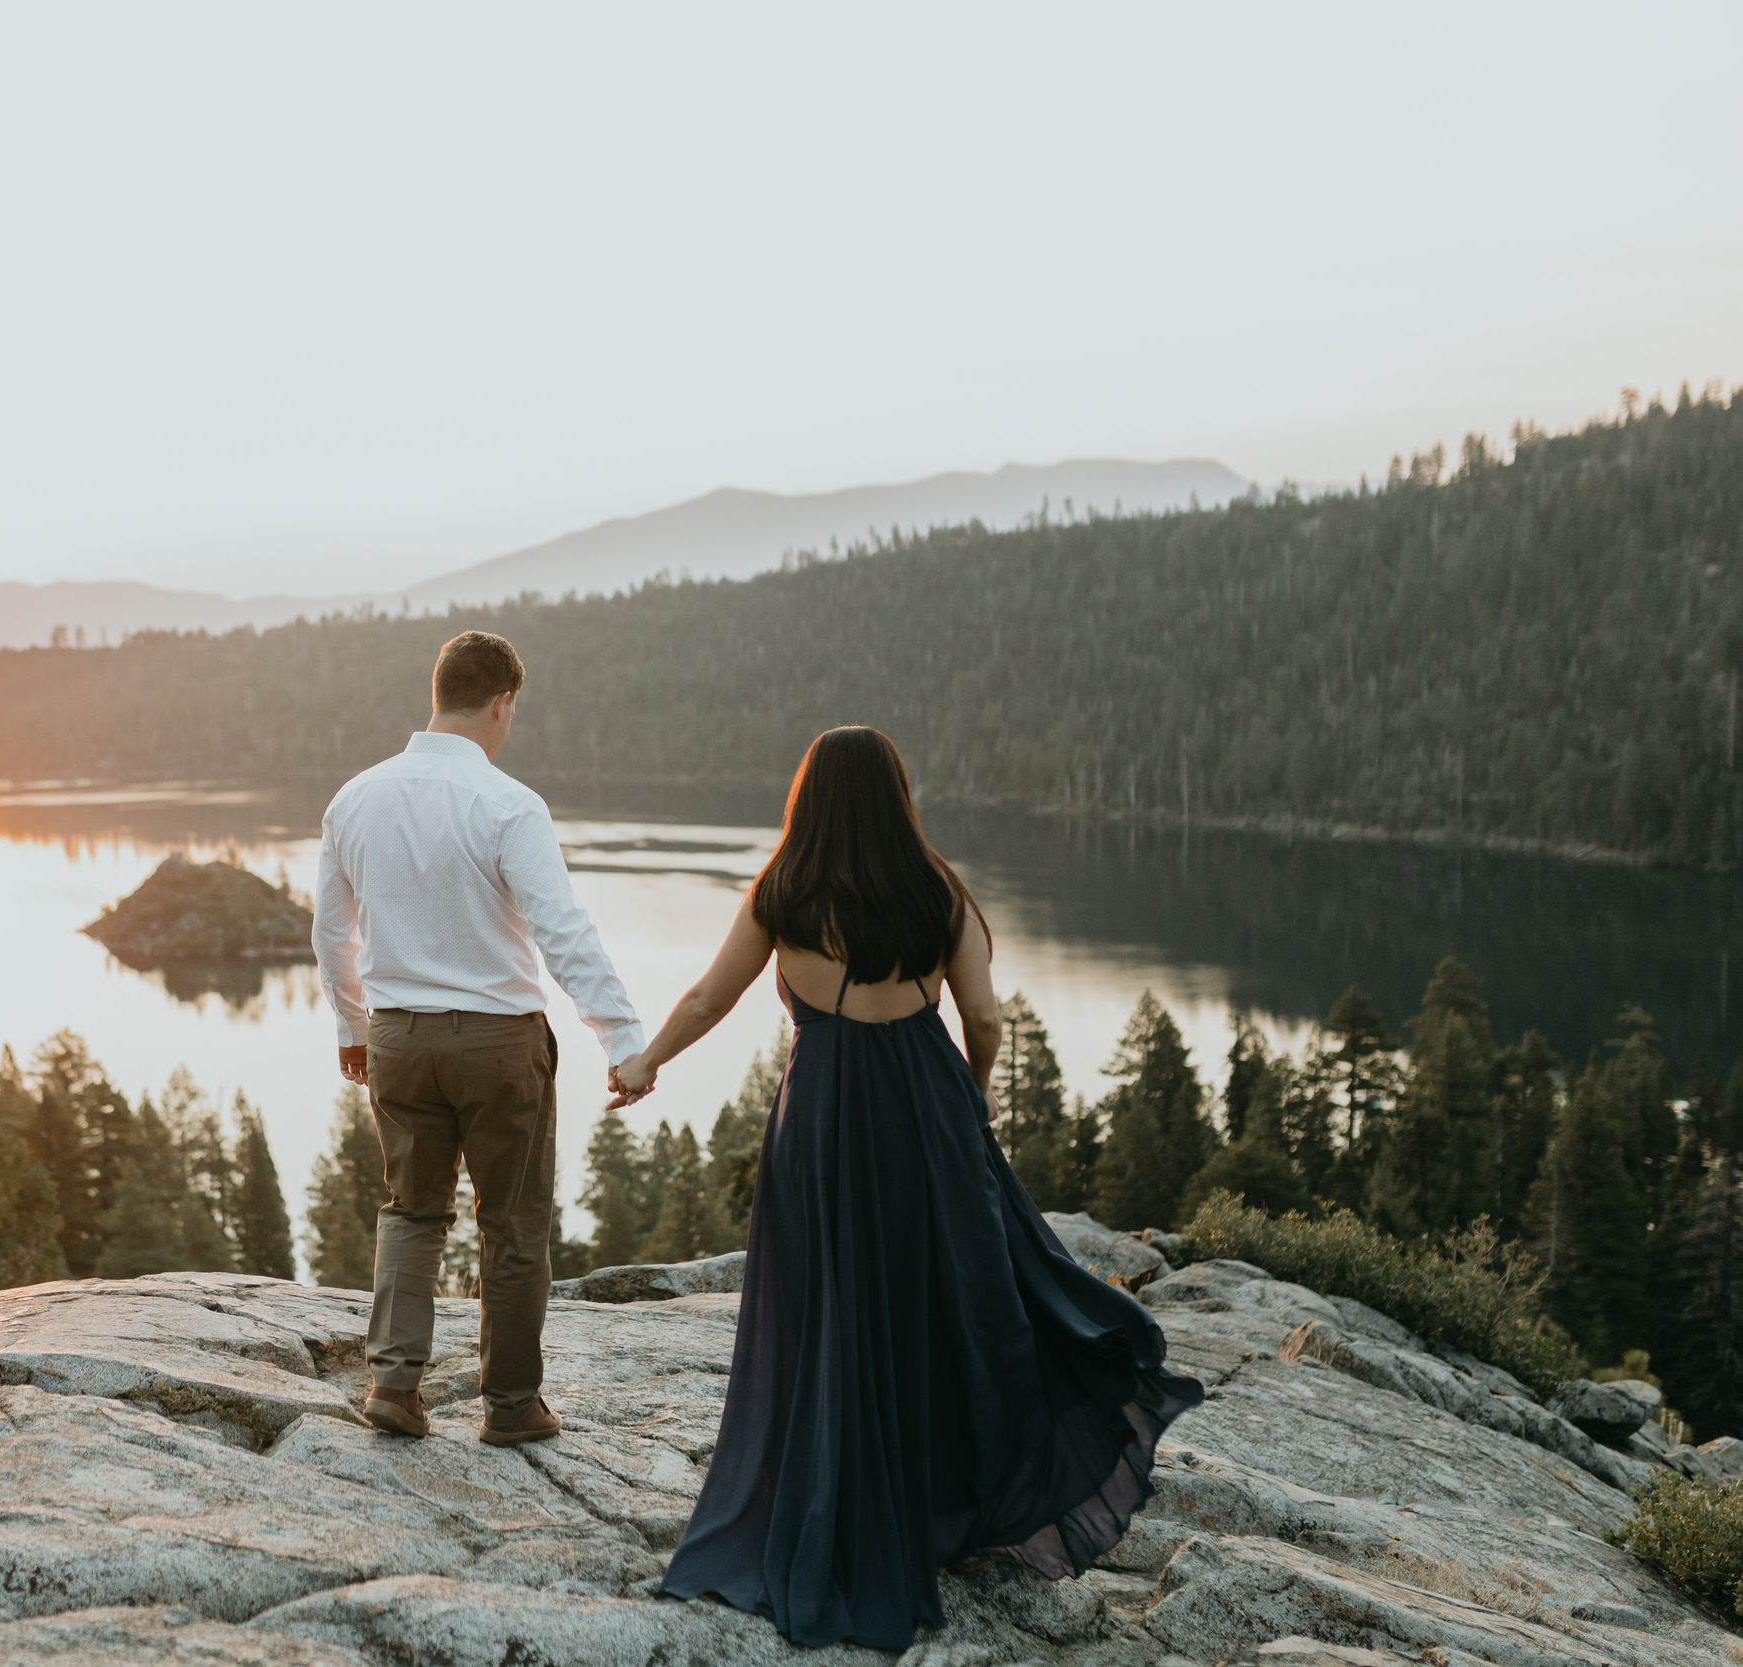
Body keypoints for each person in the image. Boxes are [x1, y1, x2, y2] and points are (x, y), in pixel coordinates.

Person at [620, 725, 1203, 1650]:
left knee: (829, 1314)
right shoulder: (940, 891)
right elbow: (983, 1013)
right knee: (949, 1300)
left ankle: (831, 1505)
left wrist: (647, 1062)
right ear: (897, 796)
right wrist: (970, 1095)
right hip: (927, 1114)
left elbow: (707, 998)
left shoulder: (783, 891)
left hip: (819, 1121)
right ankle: (943, 1501)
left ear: (809, 799)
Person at [313, 628, 646, 1447]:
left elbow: (330, 930)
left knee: (412, 1210)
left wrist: (354, 1025)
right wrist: (622, 1035)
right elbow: (561, 929)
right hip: (500, 1046)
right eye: (511, 714)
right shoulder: (508, 803)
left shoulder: (355, 798)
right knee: (513, 1222)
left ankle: (393, 1383)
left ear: (439, 693)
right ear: (500, 703)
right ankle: (511, 1405)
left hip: (399, 1039)